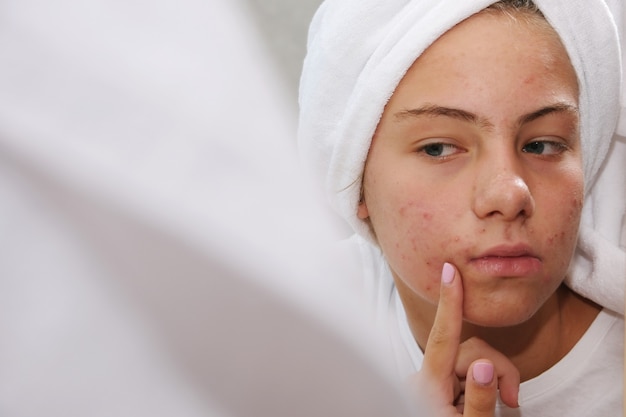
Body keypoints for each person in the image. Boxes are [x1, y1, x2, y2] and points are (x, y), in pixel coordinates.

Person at [298, 0, 625, 415]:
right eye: (438, 148)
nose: (509, 195)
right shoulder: (291, 346)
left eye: (541, 145)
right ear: (356, 183)